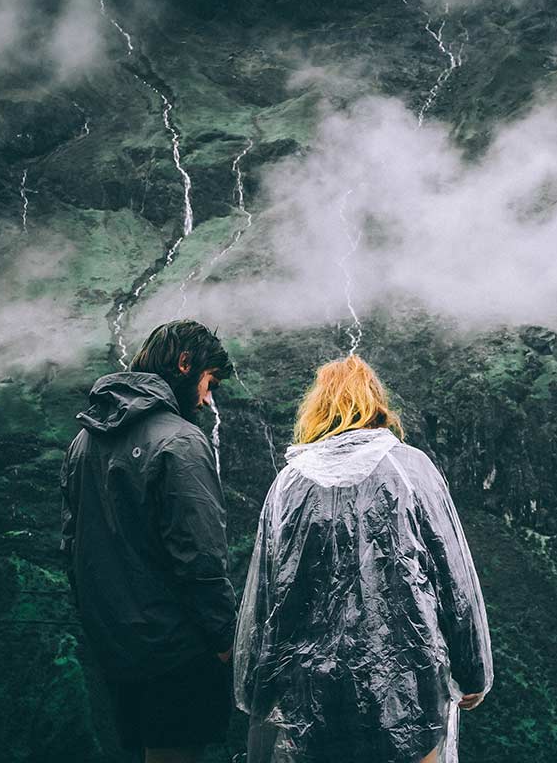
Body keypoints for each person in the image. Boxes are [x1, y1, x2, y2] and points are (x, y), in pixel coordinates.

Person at [234, 355, 493, 763]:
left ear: (316, 410)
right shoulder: (412, 471)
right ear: (376, 405)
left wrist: (256, 686)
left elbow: (270, 596)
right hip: (409, 685)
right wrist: (473, 671)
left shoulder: (290, 484)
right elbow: (452, 579)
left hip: (314, 694)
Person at [60, 320, 238, 763]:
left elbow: (71, 544)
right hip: (176, 650)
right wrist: (224, 639)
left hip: (115, 646)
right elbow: (200, 558)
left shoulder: (82, 441)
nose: (205, 398)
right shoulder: (180, 441)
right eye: (207, 382)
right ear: (184, 364)